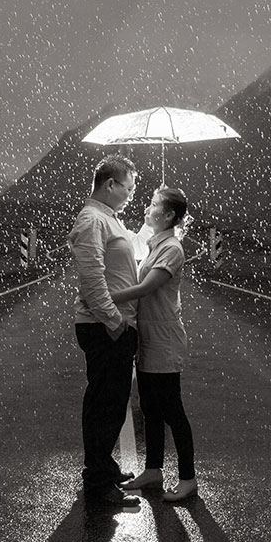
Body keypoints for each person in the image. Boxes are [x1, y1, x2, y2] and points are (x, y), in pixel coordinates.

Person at [109, 185, 197, 503]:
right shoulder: (155, 244)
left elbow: (146, 288)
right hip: (148, 337)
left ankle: (188, 478)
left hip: (164, 339)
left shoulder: (172, 248)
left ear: (169, 214)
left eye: (153, 204)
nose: (147, 207)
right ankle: (154, 470)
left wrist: (104, 299)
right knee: (149, 408)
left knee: (171, 409)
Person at [69, 154, 141, 510]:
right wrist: (116, 323)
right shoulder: (92, 221)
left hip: (109, 325)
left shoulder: (109, 220)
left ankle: (104, 468)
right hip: (103, 327)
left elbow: (127, 260)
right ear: (110, 184)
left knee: (109, 403)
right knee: (105, 404)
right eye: (127, 187)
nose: (130, 194)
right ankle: (99, 484)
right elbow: (92, 280)